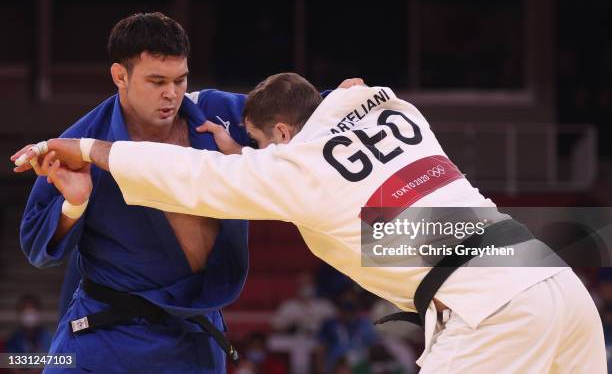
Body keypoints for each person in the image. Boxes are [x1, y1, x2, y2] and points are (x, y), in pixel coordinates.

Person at [13, 73, 607, 373]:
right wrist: (250, 152)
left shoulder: (301, 170)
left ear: (284, 136)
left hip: (494, 313)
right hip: (554, 282)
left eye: (260, 145)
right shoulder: (396, 112)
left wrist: (89, 147)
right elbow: (351, 95)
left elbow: (193, 178)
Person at [14, 12, 254, 374]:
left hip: (194, 341)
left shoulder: (220, 116)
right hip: (104, 339)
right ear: (119, 76)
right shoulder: (81, 143)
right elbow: (37, 248)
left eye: (180, 79)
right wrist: (74, 205)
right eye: (156, 81)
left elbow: (317, 124)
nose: (171, 94)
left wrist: (357, 101)